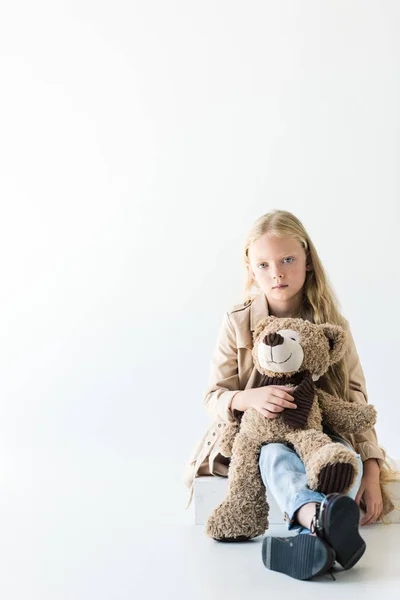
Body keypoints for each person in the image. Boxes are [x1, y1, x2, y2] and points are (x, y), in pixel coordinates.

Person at [183, 209, 397, 581]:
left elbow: (356, 397)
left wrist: (374, 468)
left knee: (344, 459)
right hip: (262, 434)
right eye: (263, 265)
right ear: (250, 269)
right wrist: (246, 400)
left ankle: (311, 538)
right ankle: (317, 521)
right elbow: (213, 395)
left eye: (287, 260)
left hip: (317, 429)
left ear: (308, 262)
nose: (277, 273)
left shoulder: (332, 325)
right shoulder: (237, 321)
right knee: (274, 457)